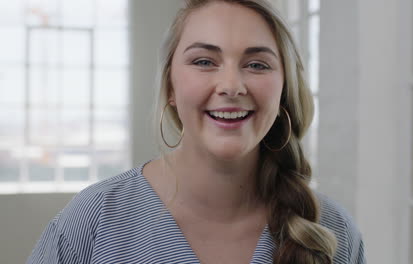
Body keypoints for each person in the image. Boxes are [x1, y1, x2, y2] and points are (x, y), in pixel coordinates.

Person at [27, 0, 365, 263]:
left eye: (257, 64)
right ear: (170, 86)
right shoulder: (93, 220)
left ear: (284, 89)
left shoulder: (332, 233)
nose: (231, 86)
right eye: (204, 61)